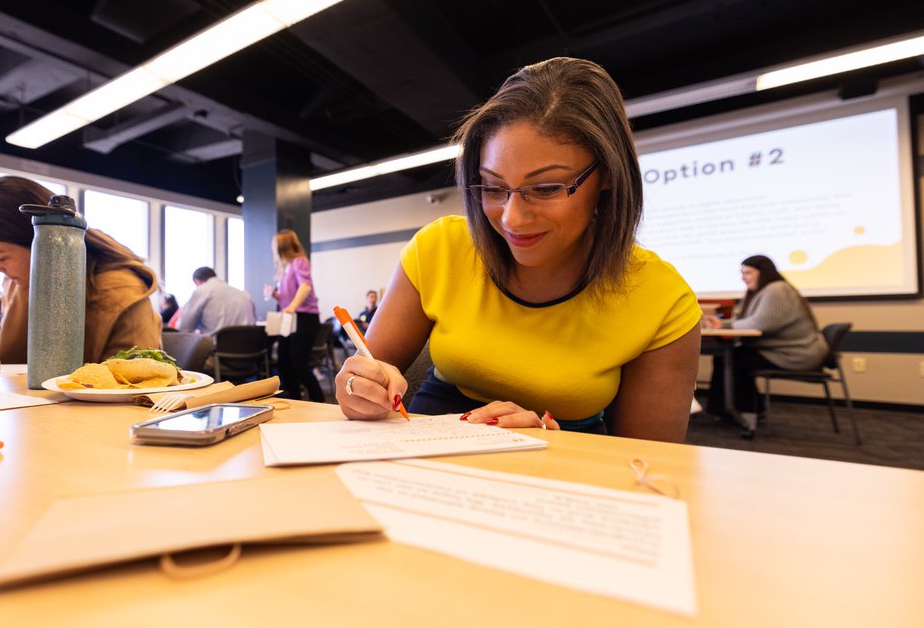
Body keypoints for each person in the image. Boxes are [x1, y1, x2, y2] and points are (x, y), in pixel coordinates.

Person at [334, 57, 702, 440]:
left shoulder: (661, 298)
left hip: (560, 479)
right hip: (423, 459)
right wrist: (358, 387)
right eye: (493, 188)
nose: (512, 218)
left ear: (608, 174)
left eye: (545, 189)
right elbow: (368, 377)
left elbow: (648, 467)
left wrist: (553, 446)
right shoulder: (440, 248)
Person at [0, 176, 161, 366]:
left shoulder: (120, 290)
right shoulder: (19, 284)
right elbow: (15, 364)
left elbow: (141, 381)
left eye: (0, 256)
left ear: (43, 242)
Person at [702, 255, 828, 432]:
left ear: (764, 273)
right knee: (733, 358)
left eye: (748, 273)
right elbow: (750, 321)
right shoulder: (764, 291)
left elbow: (760, 324)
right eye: (742, 273)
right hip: (783, 351)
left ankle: (743, 412)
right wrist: (723, 324)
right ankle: (738, 410)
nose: (743, 277)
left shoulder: (777, 289)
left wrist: (724, 324)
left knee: (734, 360)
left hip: (797, 354)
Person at [264, 230, 325, 402]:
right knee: (284, 361)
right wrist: (276, 295)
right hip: (292, 318)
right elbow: (291, 293)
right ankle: (295, 399)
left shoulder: (300, 261)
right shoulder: (286, 267)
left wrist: (292, 306)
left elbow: (305, 286)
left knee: (299, 363)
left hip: (305, 318)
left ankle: (318, 400)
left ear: (282, 247)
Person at [176, 267, 256, 334]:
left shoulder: (202, 291)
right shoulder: (244, 294)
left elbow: (184, 327)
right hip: (249, 349)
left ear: (198, 281)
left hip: (217, 348)